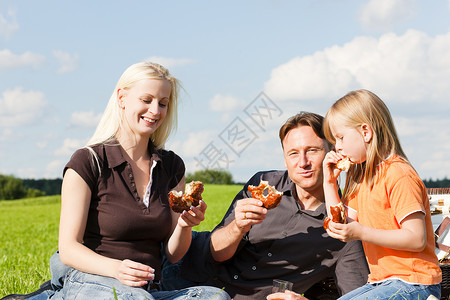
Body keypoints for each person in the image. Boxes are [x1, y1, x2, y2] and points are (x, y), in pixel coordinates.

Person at [20, 62, 230, 300]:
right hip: (91, 280)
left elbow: (173, 255)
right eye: (146, 100)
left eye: (163, 103)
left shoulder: (172, 167)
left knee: (214, 298)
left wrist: (184, 225)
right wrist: (116, 269)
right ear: (122, 98)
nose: (155, 110)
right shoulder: (88, 161)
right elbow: (68, 249)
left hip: (148, 291)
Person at [162, 112, 369, 300]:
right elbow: (216, 252)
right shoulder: (262, 184)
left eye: (312, 150)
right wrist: (237, 227)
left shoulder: (343, 227)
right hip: (184, 273)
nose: (303, 162)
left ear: (332, 152)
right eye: (293, 153)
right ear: (285, 158)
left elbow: (357, 295)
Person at [321, 89, 441, 299]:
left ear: (365, 132)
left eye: (340, 138)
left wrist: (361, 232)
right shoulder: (360, 178)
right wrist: (329, 183)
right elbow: (342, 224)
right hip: (380, 281)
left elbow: (416, 238)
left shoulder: (398, 173)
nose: (337, 147)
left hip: (415, 282)